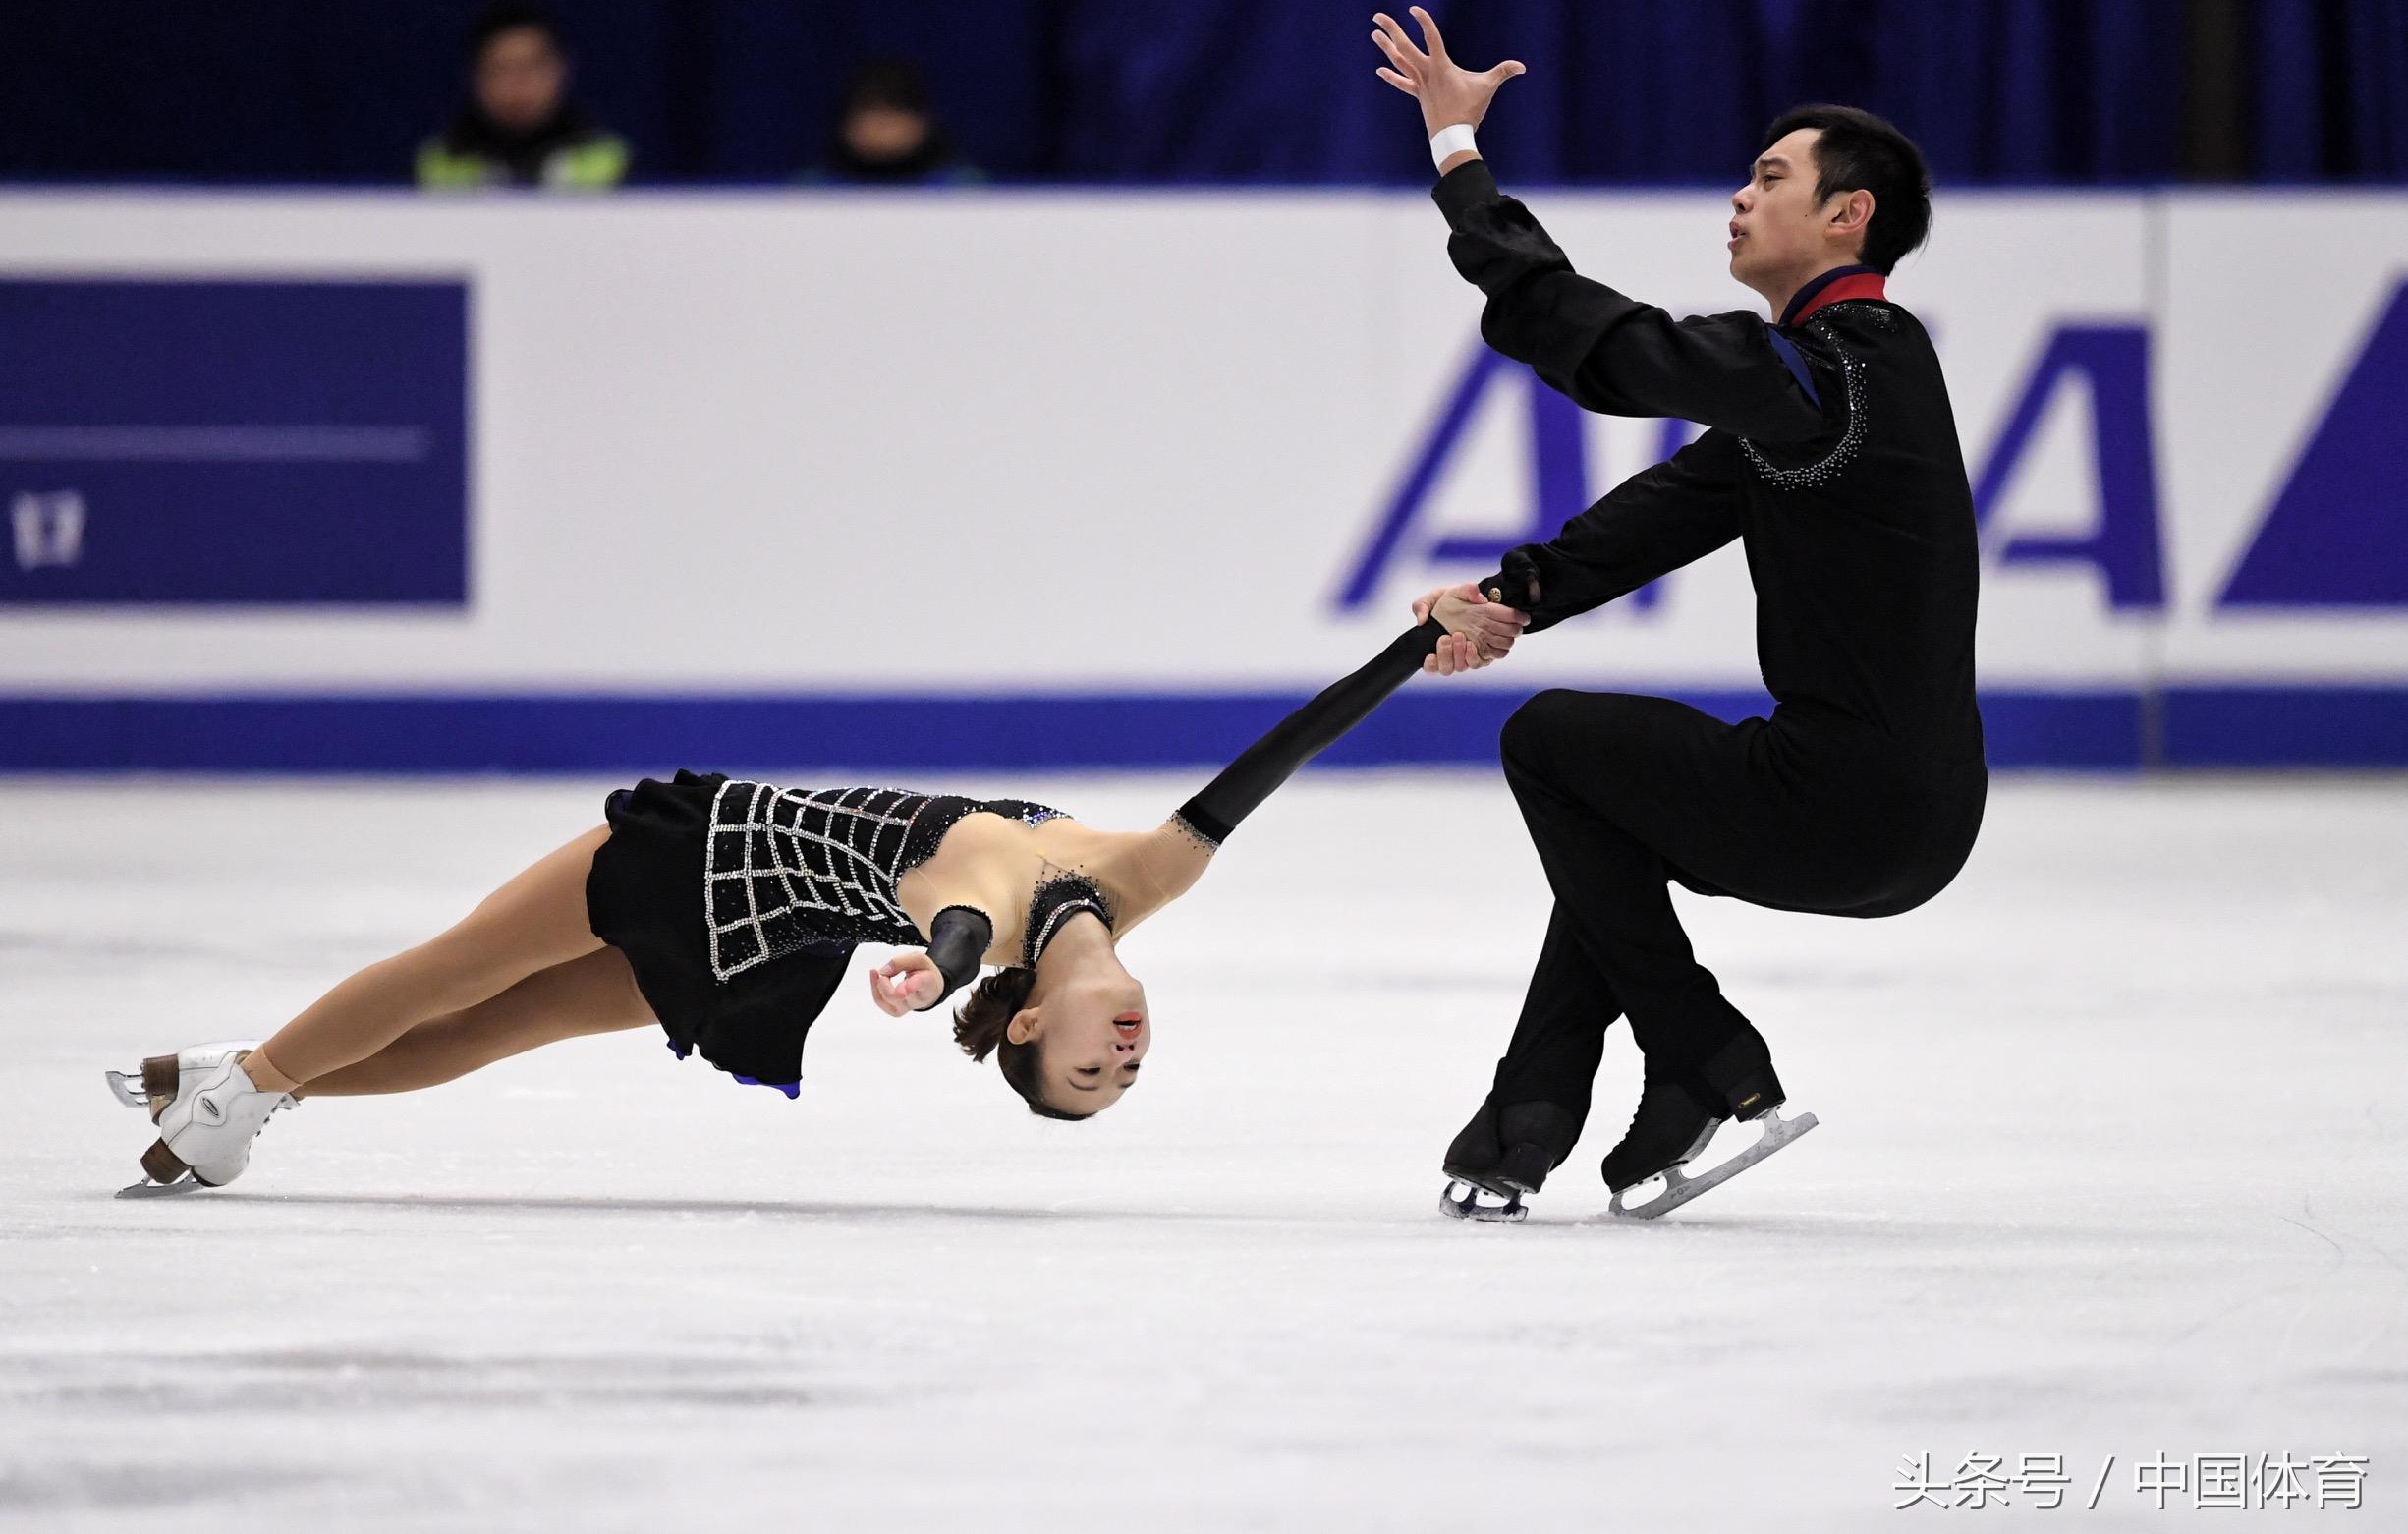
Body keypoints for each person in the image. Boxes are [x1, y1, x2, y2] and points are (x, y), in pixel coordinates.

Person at [107, 590, 1527, 1195]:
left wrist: (943, 966)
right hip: (737, 868)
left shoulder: (998, 927)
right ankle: (240, 1082)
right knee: (473, 980)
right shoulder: (1135, 885)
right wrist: (1412, 650)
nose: (1124, 1061)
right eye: (1126, 1075)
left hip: (744, 890)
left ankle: (247, 1082)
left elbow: (965, 905)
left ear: (1030, 1029)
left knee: (483, 1013)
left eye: (1089, 1078)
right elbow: (1268, 760)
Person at [1371, 9, 1987, 1221]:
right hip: (1912, 809)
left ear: (1848, 215)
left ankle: (1710, 1058)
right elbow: (1667, 509)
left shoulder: (1838, 361)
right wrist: (1505, 600)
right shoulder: (1829, 383)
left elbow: (1608, 347)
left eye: (1772, 179)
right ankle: (1531, 1117)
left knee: (1550, 741)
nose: (1741, 200)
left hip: (1851, 800)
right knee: (1608, 807)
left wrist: (1458, 155)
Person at [416, 0, 629, 191]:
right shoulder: (437, 165)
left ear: (561, 70)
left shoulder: (612, 163)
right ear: (475, 76)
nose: (517, 84)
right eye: (500, 69)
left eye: (531, 67)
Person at [801, 58, 982, 185]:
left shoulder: (967, 192)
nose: (882, 124)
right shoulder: (805, 194)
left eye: (896, 110)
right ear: (845, 124)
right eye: (869, 110)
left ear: (923, 122)